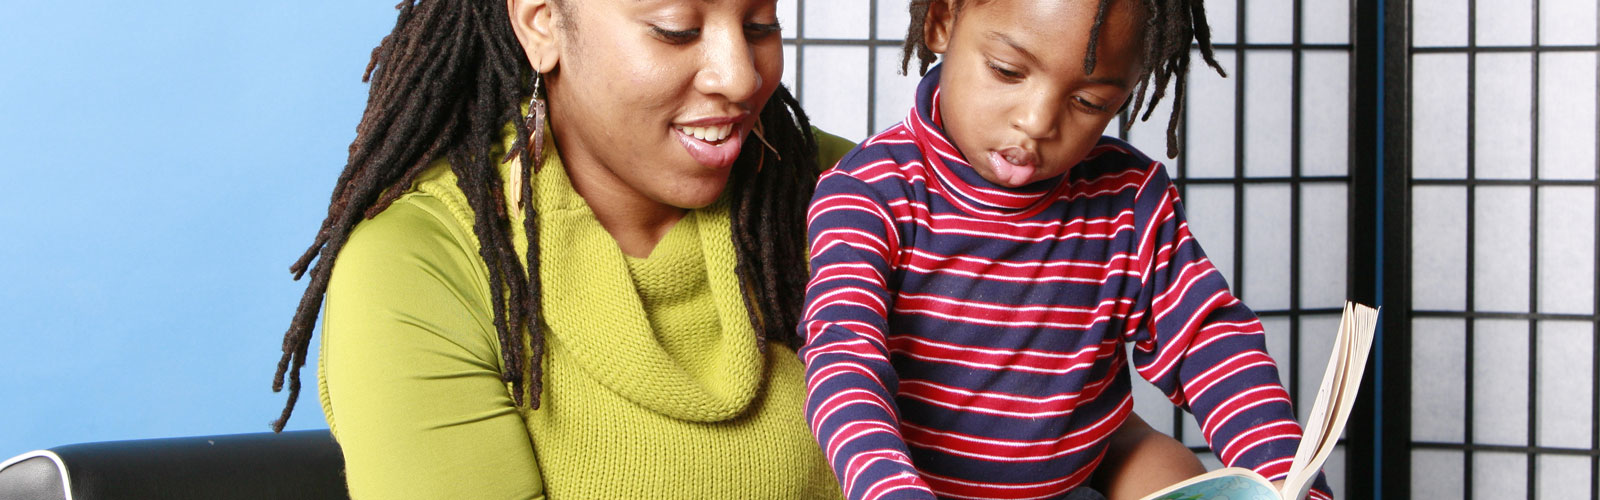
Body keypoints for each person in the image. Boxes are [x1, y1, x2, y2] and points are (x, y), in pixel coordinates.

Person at [265, 0, 1200, 498]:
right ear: (542, 19)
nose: (740, 73)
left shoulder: (853, 197)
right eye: (677, 27)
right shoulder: (422, 272)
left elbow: (1047, 419)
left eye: (760, 22)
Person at [798, 0, 1334, 499]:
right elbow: (846, 362)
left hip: (1076, 472)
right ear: (942, 21)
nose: (1038, 122)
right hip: (921, 482)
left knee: (1168, 466)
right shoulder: (870, 191)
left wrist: (1291, 478)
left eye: (1088, 101)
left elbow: (1210, 344)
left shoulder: (1128, 197)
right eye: (1007, 71)